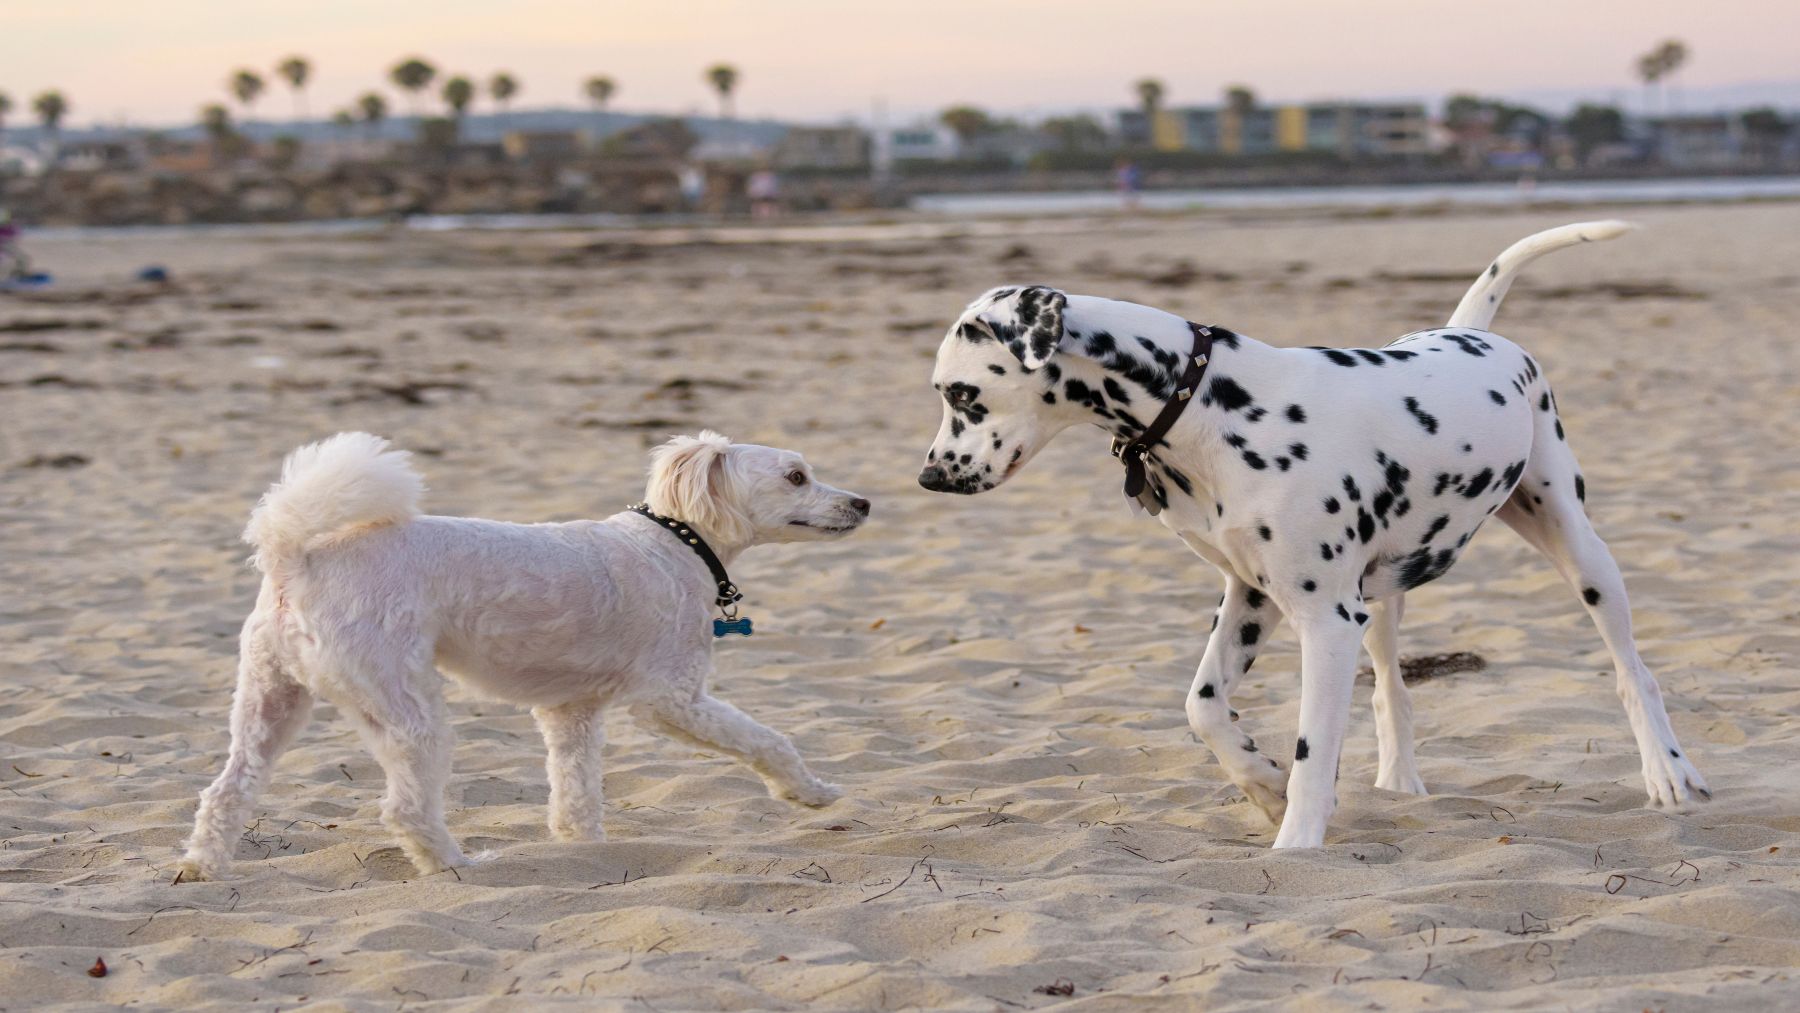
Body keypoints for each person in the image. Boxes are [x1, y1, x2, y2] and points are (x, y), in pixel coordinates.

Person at [0, 209, 31, 282]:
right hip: (5, 247)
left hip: (7, 245)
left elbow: (16, 235)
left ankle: (18, 276)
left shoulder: (10, 227)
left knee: (23, 259)